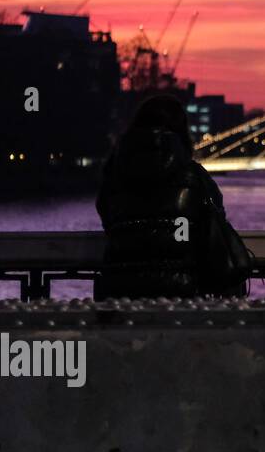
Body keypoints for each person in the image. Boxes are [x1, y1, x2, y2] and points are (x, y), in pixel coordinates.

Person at [94, 94, 248, 299]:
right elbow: (214, 223)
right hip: (181, 292)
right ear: (183, 132)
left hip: (118, 291)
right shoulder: (195, 177)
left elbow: (107, 218)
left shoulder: (113, 175)